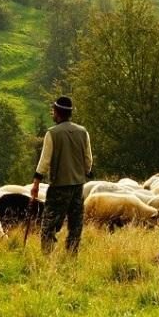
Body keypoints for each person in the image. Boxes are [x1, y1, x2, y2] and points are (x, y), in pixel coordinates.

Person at [30, 95, 93, 255]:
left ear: (57, 112)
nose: (52, 114)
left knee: (49, 225)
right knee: (75, 225)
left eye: (53, 111)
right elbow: (88, 159)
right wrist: (85, 172)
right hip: (78, 186)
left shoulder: (52, 133)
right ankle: (72, 256)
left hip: (59, 187)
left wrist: (36, 183)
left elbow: (44, 161)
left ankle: (47, 257)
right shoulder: (82, 132)